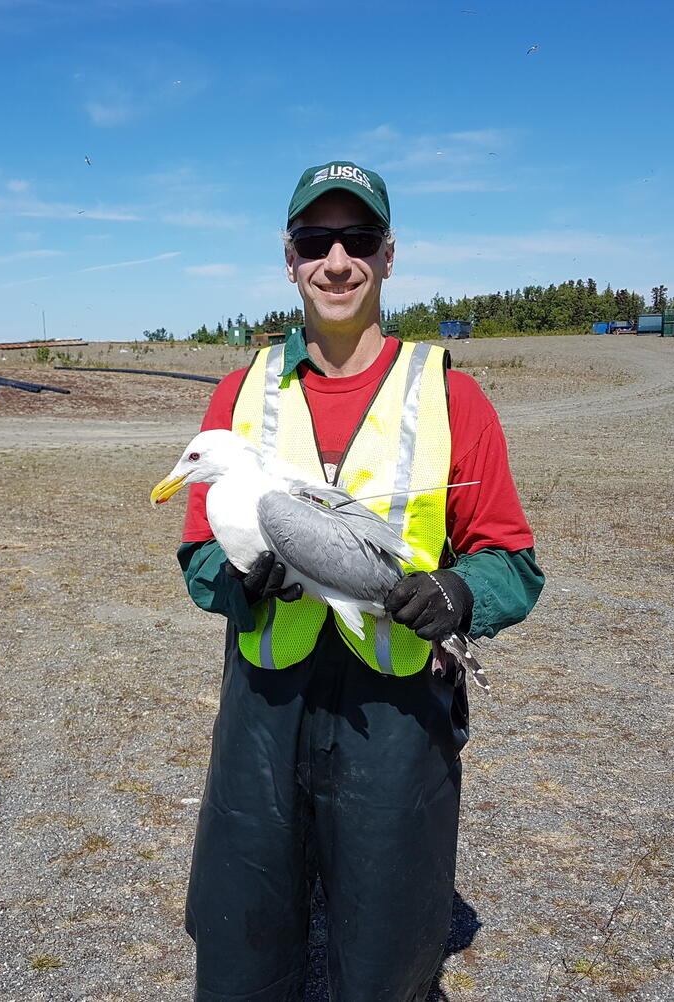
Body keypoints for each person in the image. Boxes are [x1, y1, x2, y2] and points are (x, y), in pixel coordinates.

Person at [174, 160, 543, 1001]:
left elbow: (513, 561)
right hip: (265, 709)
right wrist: (245, 580)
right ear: (290, 257)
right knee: (243, 939)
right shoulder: (241, 393)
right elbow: (198, 558)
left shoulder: (452, 396)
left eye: (357, 240)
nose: (336, 261)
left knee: (385, 952)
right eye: (315, 240)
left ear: (387, 255)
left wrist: (459, 595)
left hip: (396, 713)